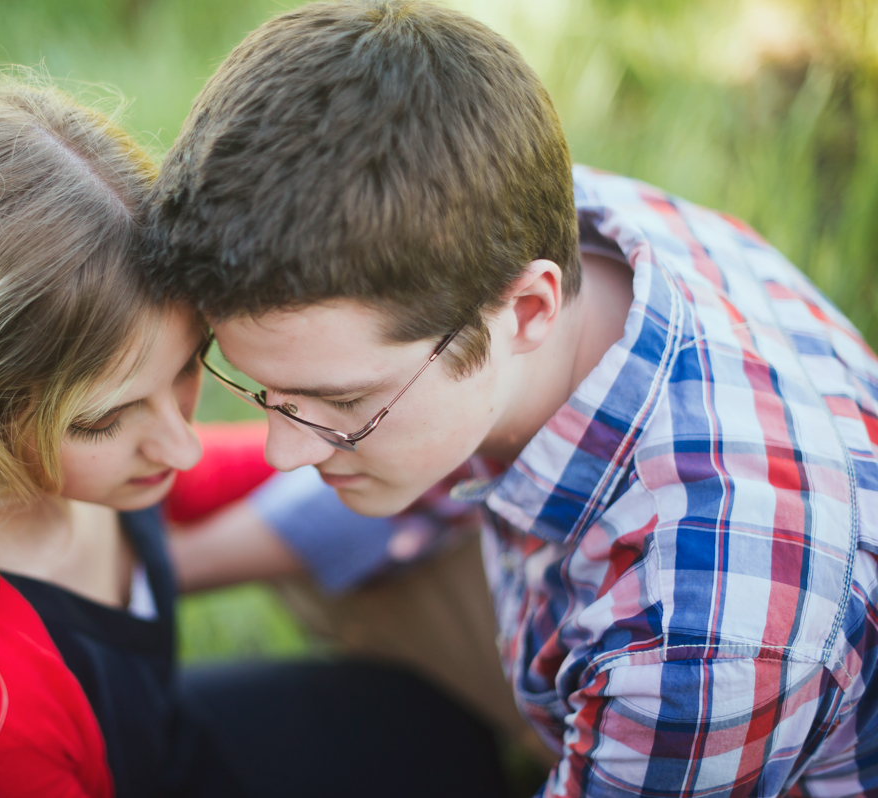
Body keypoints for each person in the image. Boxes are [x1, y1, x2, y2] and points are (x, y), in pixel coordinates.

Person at [144, 2, 878, 796]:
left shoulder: (698, 638)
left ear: (528, 308)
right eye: (262, 387)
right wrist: (164, 575)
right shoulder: (524, 223)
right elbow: (429, 439)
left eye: (346, 401)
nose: (283, 449)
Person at [0, 77, 506, 798]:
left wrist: (431, 436)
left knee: (444, 740)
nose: (178, 445)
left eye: (186, 370)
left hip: (149, 750)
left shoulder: (81, 463)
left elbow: (228, 470)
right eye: (105, 419)